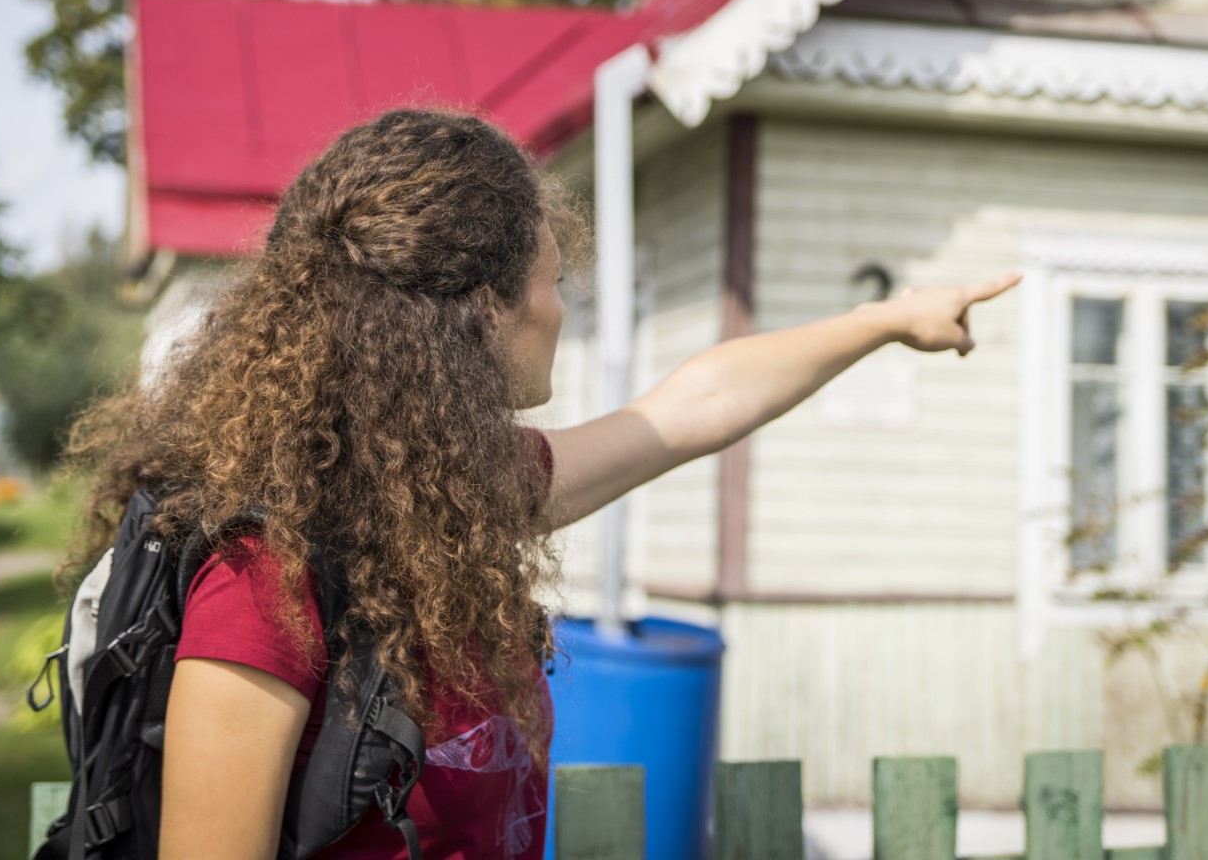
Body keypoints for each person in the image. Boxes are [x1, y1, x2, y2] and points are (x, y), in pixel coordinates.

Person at [61, 107, 1020, 860]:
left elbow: (694, 408)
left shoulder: (446, 497)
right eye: (555, 278)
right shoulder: (264, 574)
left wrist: (888, 320)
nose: (564, 307)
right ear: (482, 310)